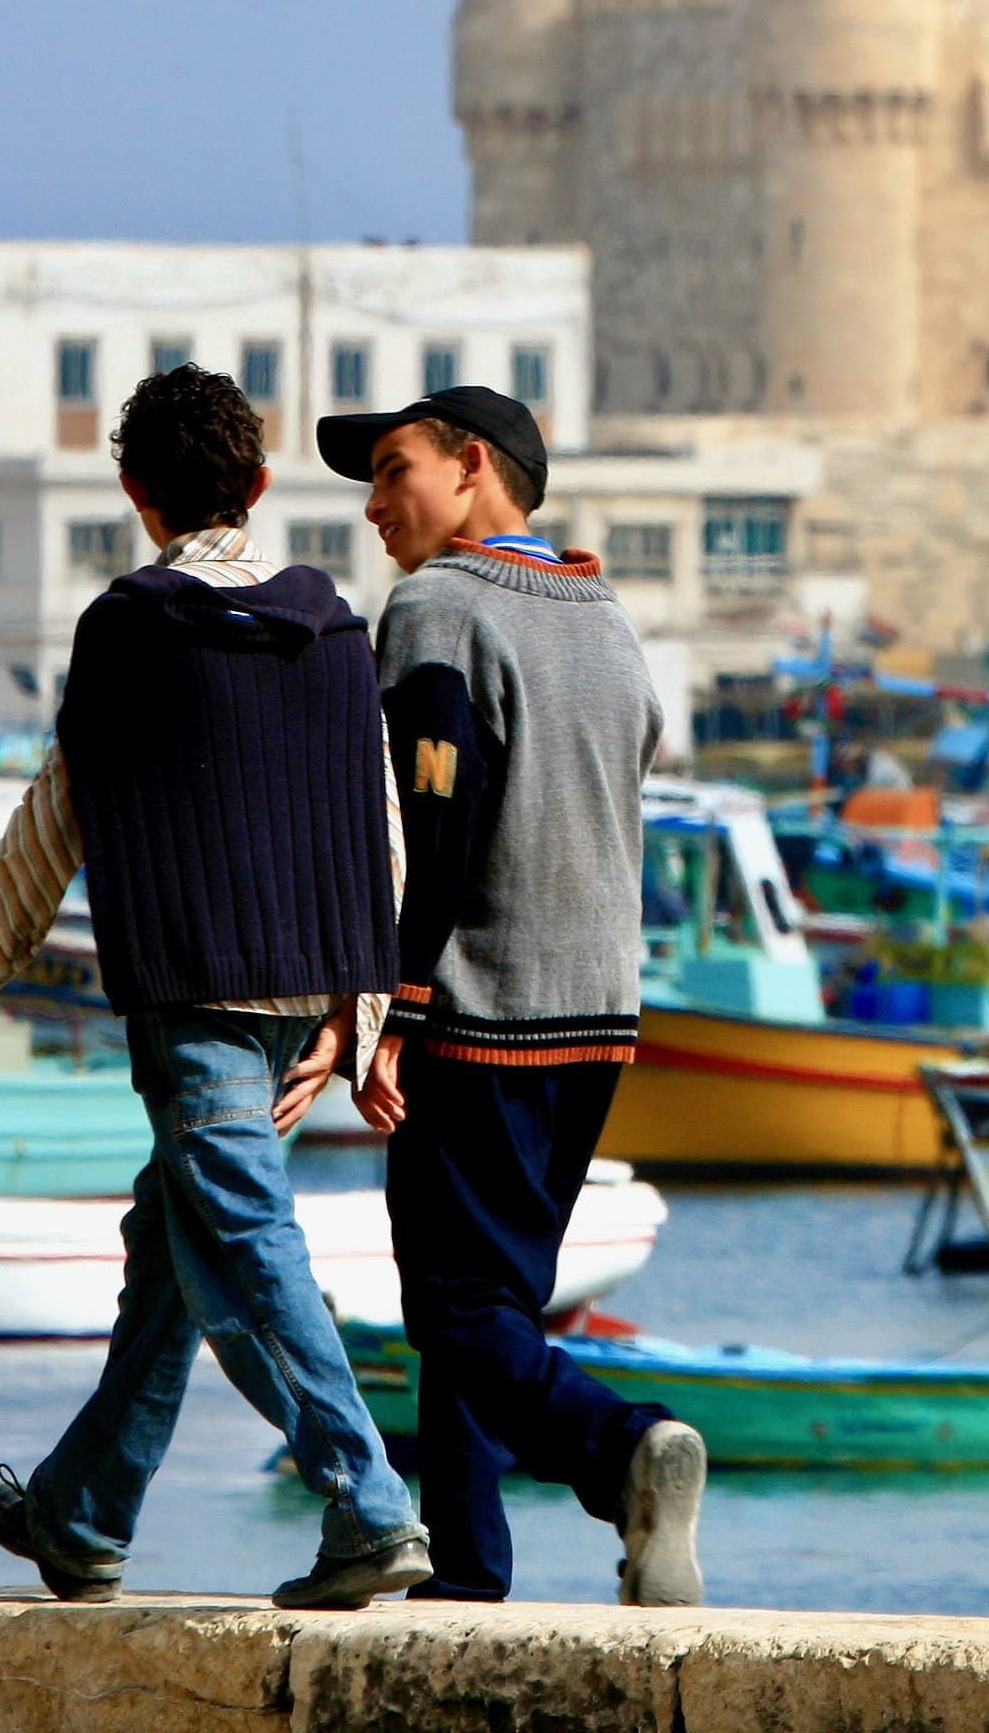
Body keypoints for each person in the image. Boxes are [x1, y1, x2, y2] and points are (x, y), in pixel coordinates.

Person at [0, 365, 432, 1610]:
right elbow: (375, 823)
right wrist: (355, 1005)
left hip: (193, 986)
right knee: (176, 1242)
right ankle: (81, 1510)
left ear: (134, 493)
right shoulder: (332, 628)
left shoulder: (128, 626)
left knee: (245, 1247)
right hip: (300, 1000)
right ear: (261, 487)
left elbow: (63, 808)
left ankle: (369, 1500)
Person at [318, 382, 705, 1608]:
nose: (378, 506)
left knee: (454, 1301)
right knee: (489, 1299)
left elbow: (428, 822)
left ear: (472, 464)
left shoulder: (435, 605)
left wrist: (387, 1000)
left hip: (481, 1007)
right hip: (600, 1015)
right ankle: (469, 1563)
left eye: (394, 471)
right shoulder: (605, 612)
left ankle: (620, 1447)